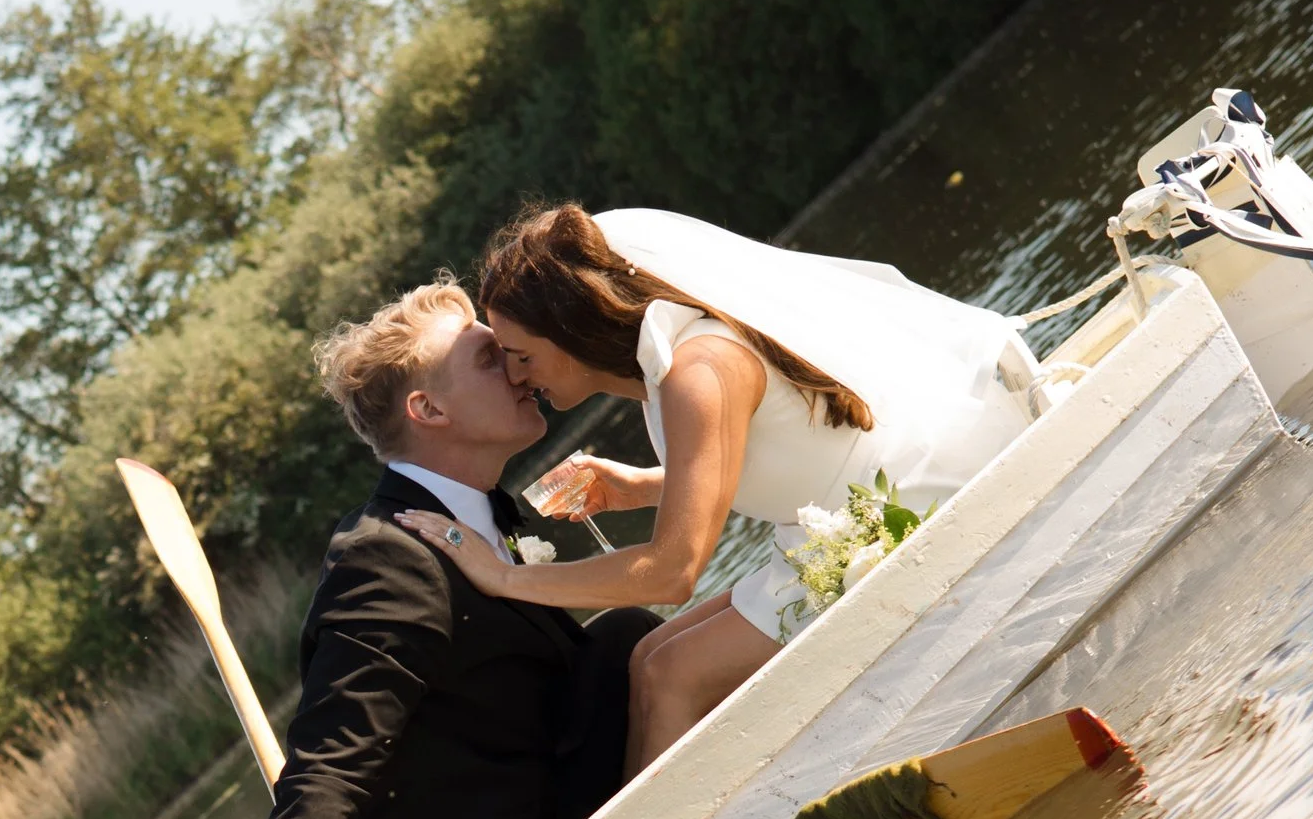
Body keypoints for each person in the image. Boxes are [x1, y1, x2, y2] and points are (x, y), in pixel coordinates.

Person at [158, 280, 653, 819]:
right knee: (630, 642)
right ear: (430, 411)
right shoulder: (383, 559)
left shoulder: (483, 515)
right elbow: (329, 769)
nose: (522, 367)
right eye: (491, 358)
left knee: (628, 643)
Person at [399, 201, 1048, 767]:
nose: (517, 377)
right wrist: (644, 485)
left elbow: (672, 572)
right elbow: (766, 455)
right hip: (829, 526)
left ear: (568, 328)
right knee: (649, 656)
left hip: (890, 516)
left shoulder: (696, 371)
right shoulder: (671, 361)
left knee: (670, 677)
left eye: (520, 355)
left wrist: (504, 577)